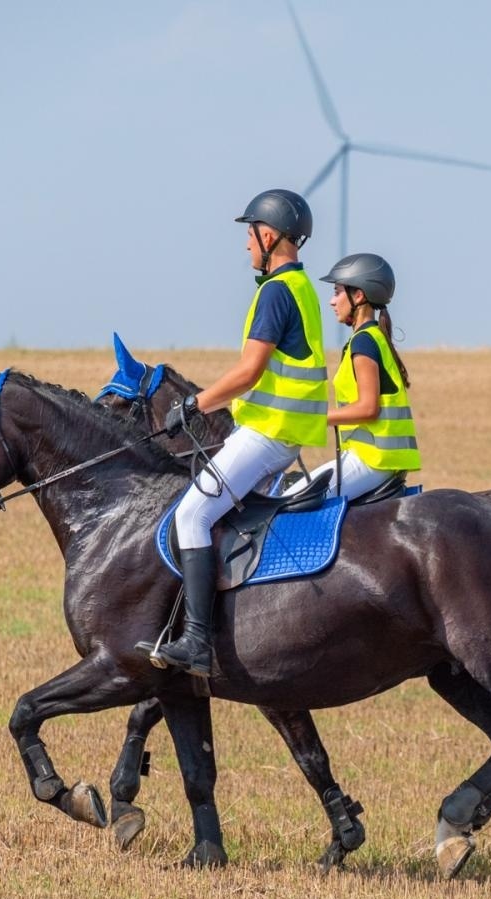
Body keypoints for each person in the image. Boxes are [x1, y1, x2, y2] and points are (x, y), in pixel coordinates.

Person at [136, 189, 328, 678]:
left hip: (266, 433)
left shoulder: (274, 292)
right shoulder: (302, 288)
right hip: (283, 434)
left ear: (269, 236)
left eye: (249, 234)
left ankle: (197, 642)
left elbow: (249, 372)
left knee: (193, 515)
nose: (245, 245)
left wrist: (193, 404)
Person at [310, 253, 421, 499]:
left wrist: (312, 418)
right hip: (378, 459)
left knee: (294, 502)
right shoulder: (372, 338)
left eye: (337, 292)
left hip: (372, 459)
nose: (331, 301)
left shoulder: (363, 342)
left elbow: (368, 408)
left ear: (358, 295)